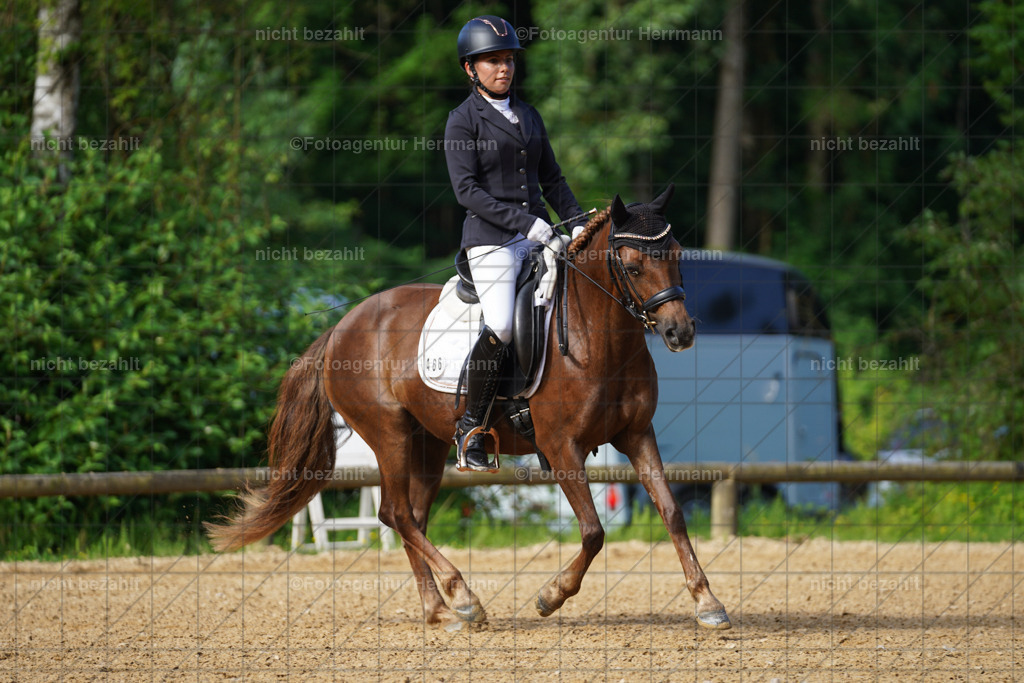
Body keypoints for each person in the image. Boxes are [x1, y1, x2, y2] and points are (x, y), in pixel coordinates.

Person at [444, 15, 587, 473]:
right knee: (503, 324)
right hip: (491, 242)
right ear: (471, 69)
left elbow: (553, 179)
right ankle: (470, 426)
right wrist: (526, 224)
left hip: (539, 236)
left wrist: (580, 225)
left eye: (508, 60)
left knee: (571, 309)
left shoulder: (529, 115)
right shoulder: (462, 121)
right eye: (492, 61)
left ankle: (549, 420)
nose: (503, 68)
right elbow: (467, 191)